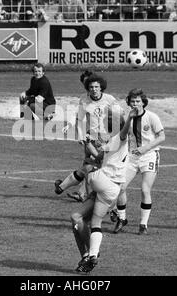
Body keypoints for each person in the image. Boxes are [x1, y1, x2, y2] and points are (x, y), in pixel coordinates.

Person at [68, 106, 130, 273]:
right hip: (106, 187)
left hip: (109, 186)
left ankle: (91, 254)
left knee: (88, 172)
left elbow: (125, 130)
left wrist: (130, 116)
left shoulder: (121, 137)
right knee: (76, 219)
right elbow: (99, 157)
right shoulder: (111, 141)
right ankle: (88, 256)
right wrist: (88, 143)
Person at [55, 73, 121, 203]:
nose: (94, 89)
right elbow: (79, 119)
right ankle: (88, 195)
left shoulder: (109, 99)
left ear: (101, 87)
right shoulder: (84, 100)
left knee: (89, 166)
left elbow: (120, 116)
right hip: (92, 140)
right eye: (91, 87)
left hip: (108, 139)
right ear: (87, 88)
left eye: (96, 87)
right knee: (93, 166)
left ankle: (63, 187)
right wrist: (80, 136)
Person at [110, 88, 165, 235]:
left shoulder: (152, 117)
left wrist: (145, 148)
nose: (135, 104)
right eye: (132, 101)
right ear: (129, 103)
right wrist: (129, 118)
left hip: (150, 155)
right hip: (132, 157)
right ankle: (122, 219)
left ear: (143, 102)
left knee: (145, 189)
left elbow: (161, 137)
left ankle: (143, 225)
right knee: (120, 187)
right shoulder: (129, 117)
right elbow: (122, 136)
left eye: (138, 101)